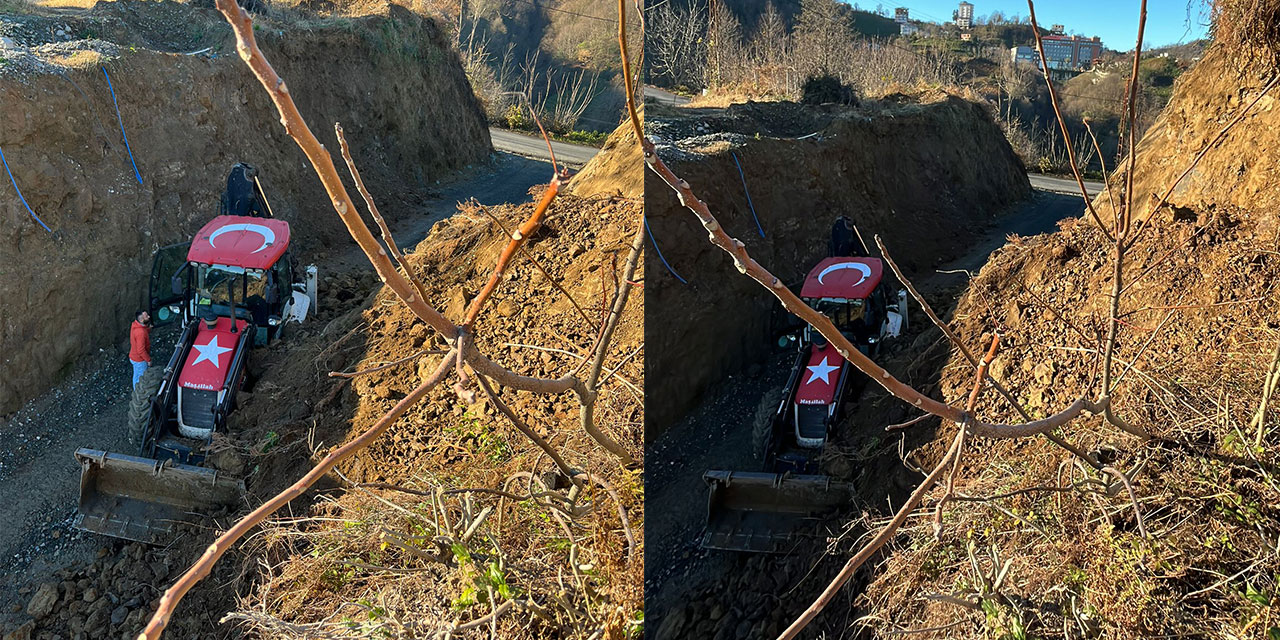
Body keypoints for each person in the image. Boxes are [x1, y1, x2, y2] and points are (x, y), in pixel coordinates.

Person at [129, 310, 151, 388]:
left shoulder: (135, 325)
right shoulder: (140, 333)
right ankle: (139, 395)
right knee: (141, 379)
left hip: (133, 357)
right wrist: (148, 360)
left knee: (136, 376)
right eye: (146, 316)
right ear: (141, 320)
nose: (149, 316)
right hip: (139, 360)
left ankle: (135, 390)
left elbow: (139, 334)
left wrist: (148, 329)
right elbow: (141, 350)